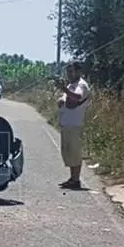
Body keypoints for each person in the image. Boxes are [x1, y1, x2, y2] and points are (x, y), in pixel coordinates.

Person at [56, 60, 91, 189]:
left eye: (71, 71)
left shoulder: (81, 85)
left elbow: (77, 97)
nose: (69, 74)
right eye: (67, 72)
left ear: (78, 72)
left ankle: (76, 180)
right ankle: (72, 178)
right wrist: (61, 99)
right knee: (68, 153)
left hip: (74, 124)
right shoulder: (72, 85)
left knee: (74, 153)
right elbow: (66, 98)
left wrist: (64, 89)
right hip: (67, 124)